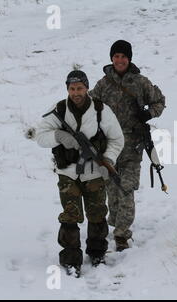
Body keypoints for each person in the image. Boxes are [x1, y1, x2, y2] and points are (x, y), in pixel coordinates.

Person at [36, 70, 124, 276]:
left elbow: (117, 139)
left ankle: (97, 253)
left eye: (80, 88)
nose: (76, 92)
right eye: (72, 88)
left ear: (86, 88)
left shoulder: (101, 110)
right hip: (68, 173)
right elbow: (41, 136)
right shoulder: (58, 110)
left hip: (94, 173)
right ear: (67, 89)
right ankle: (71, 259)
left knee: (97, 214)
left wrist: (108, 160)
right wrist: (58, 136)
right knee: (70, 216)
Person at [89, 40, 166, 251]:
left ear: (129, 58)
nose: (120, 60)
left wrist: (148, 113)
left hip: (133, 145)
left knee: (127, 188)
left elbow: (159, 102)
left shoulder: (141, 82)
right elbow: (88, 107)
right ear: (111, 58)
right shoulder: (103, 84)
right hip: (109, 147)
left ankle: (122, 235)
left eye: (123, 56)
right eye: (116, 56)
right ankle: (115, 222)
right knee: (111, 191)